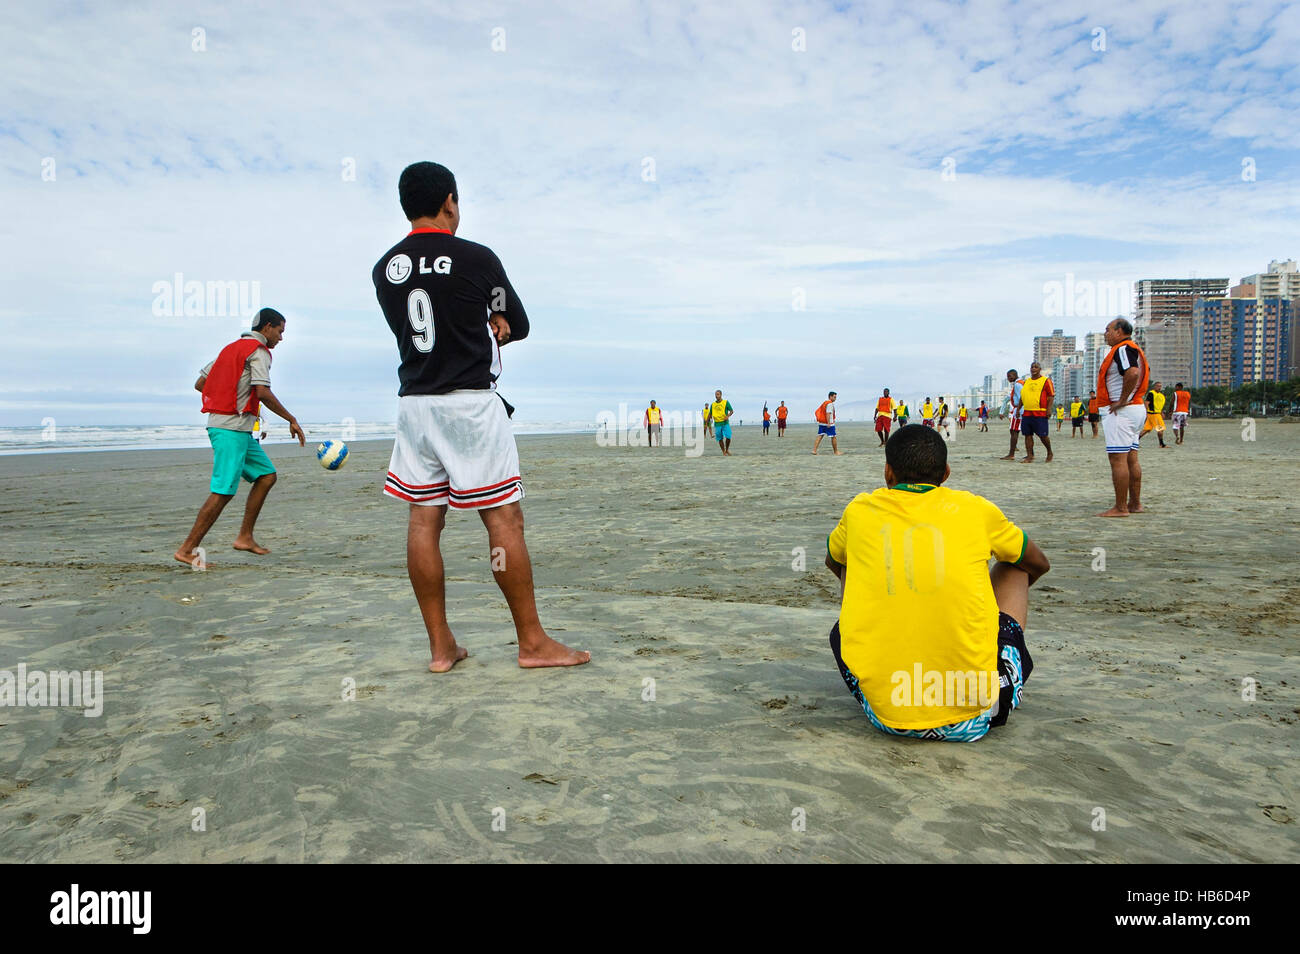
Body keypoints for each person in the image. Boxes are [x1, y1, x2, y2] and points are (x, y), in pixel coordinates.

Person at [373, 160, 590, 670]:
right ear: (449, 200)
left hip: (414, 404)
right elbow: (519, 322)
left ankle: (440, 645)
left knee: (424, 520)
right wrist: (495, 320)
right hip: (469, 403)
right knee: (503, 518)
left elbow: (411, 329)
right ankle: (532, 642)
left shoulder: (385, 267)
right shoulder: (475, 257)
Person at [824, 424, 1050, 742]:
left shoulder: (859, 510)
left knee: (848, 565)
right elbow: (1039, 563)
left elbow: (833, 561)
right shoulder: (975, 509)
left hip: (885, 713)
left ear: (888, 473)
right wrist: (991, 615)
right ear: (945, 473)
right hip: (979, 715)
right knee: (1015, 567)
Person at [175, 308, 306, 568]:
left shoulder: (230, 349)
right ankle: (187, 549)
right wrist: (291, 419)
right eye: (280, 331)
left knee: (267, 476)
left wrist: (230, 396)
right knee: (223, 491)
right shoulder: (259, 352)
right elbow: (263, 392)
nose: (281, 338)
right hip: (230, 429)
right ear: (267, 327)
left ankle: (245, 537)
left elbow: (201, 383)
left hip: (236, 428)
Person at [1096, 317, 1149, 518]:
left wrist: (1121, 400)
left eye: (1108, 329)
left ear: (1119, 331)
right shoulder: (1130, 349)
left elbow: (1132, 373)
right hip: (1135, 410)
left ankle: (1121, 507)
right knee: (1131, 459)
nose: (1106, 334)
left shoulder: (1123, 349)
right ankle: (1134, 504)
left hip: (1122, 412)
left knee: (1117, 459)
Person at [1018, 362, 1054, 463]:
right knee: (1027, 435)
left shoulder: (1046, 381)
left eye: (1036, 367)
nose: (1033, 369)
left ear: (1039, 369)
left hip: (1040, 413)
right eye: (1032, 367)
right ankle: (1030, 455)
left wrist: (1049, 409)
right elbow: (1022, 397)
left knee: (1043, 435)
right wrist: (1018, 409)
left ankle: (1049, 452)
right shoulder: (1027, 382)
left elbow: (1051, 396)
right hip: (1027, 413)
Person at [999, 369, 1024, 460]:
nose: (1008, 379)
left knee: (1014, 431)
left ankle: (1011, 454)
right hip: (1019, 410)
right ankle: (1030, 453)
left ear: (1014, 375)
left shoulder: (1017, 385)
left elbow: (1022, 397)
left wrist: (1018, 410)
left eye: (1009, 376)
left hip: (1019, 410)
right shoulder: (1020, 383)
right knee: (1017, 431)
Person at [1141, 381, 1168, 448]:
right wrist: (1146, 413)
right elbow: (1146, 403)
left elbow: (1159, 405)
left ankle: (1134, 442)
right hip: (1153, 414)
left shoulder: (1161, 395)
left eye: (1160, 386)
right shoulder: (1151, 393)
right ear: (1154, 386)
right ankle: (1161, 444)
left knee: (1146, 429)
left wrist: (1161, 412)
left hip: (1156, 414)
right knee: (1160, 429)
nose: (1159, 387)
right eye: (1158, 386)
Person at [813, 391, 842, 455]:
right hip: (829, 423)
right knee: (833, 436)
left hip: (822, 422)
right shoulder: (830, 404)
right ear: (830, 396)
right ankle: (836, 452)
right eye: (834, 397)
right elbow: (828, 413)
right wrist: (828, 423)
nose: (835, 399)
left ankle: (814, 450)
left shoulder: (825, 403)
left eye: (835, 397)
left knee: (820, 436)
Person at [711, 389, 734, 455]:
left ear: (721, 395)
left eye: (718, 394)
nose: (716, 396)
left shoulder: (726, 402)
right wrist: (709, 420)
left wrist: (728, 416)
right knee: (720, 438)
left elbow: (731, 411)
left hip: (725, 423)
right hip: (717, 424)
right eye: (715, 394)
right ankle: (723, 451)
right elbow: (710, 414)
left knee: (728, 437)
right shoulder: (713, 404)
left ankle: (727, 449)